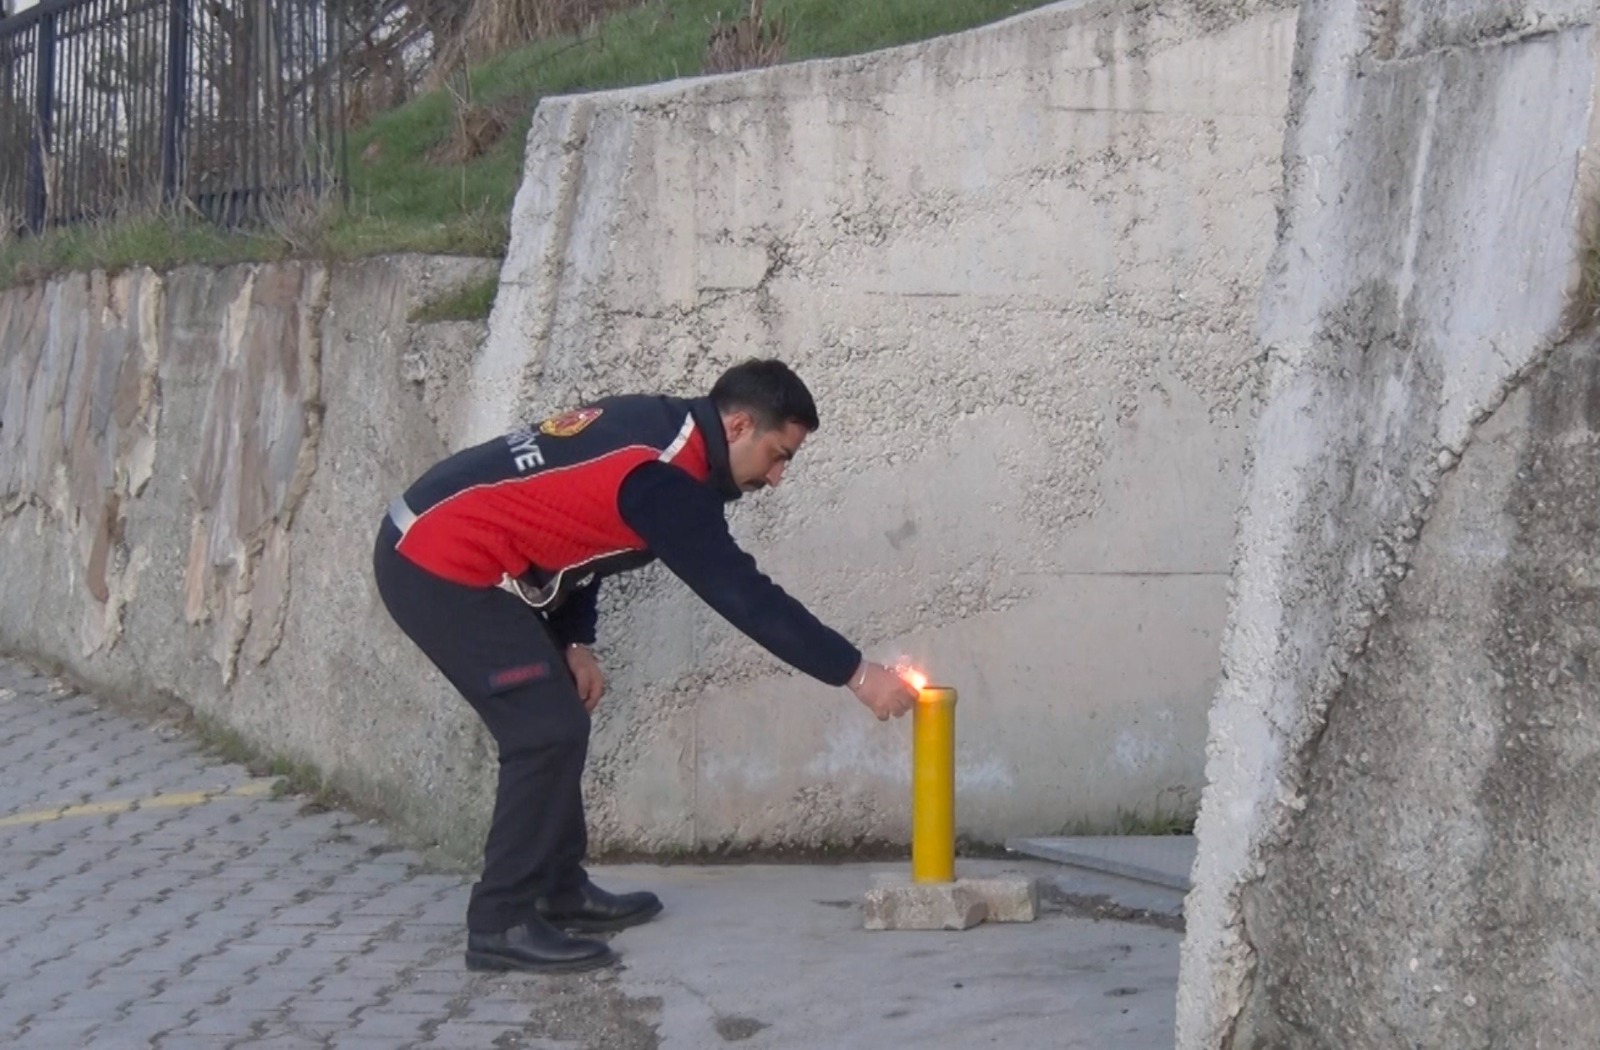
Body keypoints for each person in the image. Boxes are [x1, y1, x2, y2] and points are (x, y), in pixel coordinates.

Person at [371, 358, 918, 974]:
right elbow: (742, 595)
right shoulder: (665, 481)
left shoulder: (659, 430)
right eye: (778, 454)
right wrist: (854, 672)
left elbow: (585, 532)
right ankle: (501, 921)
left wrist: (576, 641)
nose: (778, 476)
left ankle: (557, 887)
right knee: (544, 729)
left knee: (557, 714)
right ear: (738, 426)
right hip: (434, 559)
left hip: (434, 535)